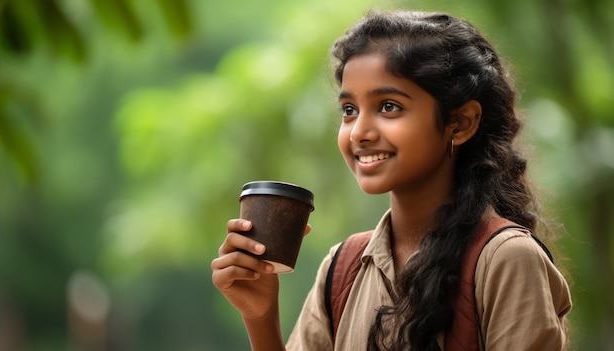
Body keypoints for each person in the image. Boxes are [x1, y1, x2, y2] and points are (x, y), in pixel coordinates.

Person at [211, 10, 572, 351]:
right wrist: (260, 316)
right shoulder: (342, 268)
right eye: (350, 110)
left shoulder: (505, 260)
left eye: (388, 107)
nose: (359, 133)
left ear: (460, 123)